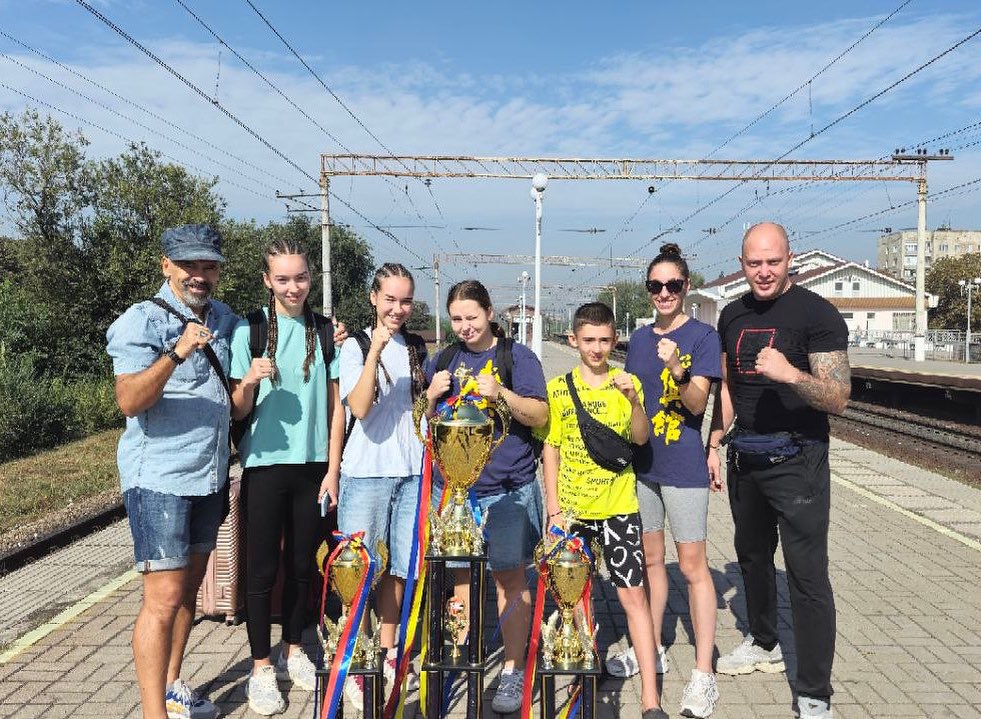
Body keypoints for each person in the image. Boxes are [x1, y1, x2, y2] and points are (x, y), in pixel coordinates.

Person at [707, 222, 850, 719]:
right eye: (754, 263)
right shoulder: (731, 313)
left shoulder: (817, 313)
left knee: (808, 578)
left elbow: (838, 397)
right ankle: (764, 642)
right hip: (745, 458)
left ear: (790, 259)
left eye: (773, 261)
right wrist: (715, 439)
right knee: (751, 558)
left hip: (799, 461)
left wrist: (790, 374)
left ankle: (814, 691)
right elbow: (727, 388)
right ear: (742, 263)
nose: (763, 272)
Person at [107, 224, 238, 719]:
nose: (199, 276)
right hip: (160, 479)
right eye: (190, 266)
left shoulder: (225, 319)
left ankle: (173, 686)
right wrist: (176, 352)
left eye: (209, 266)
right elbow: (129, 399)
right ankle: (152, 713)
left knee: (189, 591)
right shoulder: (140, 322)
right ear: (167, 266)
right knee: (161, 599)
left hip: (209, 474)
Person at [229, 238, 346, 715]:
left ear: (311, 279)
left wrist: (334, 469)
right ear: (267, 281)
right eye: (283, 279)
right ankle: (260, 667)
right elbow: (236, 409)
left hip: (314, 466)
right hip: (264, 466)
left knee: (302, 566)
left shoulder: (326, 332)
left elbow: (337, 407)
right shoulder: (249, 332)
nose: (293, 286)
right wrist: (251, 380)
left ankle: (293, 650)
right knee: (260, 571)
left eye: (300, 277)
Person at [607, 243, 722, 718]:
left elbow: (697, 405)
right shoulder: (636, 339)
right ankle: (650, 649)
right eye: (656, 286)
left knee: (692, 566)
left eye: (673, 285)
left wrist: (677, 367)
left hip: (684, 466)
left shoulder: (702, 338)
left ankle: (703, 675)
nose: (664, 293)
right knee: (651, 561)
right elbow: (634, 399)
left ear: (686, 287)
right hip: (643, 464)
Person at [424, 280, 548, 714]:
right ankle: (459, 663)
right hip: (455, 496)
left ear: (490, 313)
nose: (464, 327)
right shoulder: (441, 360)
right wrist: (430, 397)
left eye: (472, 317)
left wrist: (502, 393)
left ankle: (513, 672)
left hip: (507, 492)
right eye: (456, 319)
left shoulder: (517, 358)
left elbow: (539, 414)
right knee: (459, 584)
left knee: (509, 580)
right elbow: (424, 425)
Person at [542, 302, 667, 719]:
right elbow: (552, 447)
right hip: (574, 513)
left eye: (604, 340)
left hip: (619, 508)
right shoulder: (559, 387)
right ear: (574, 340)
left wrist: (633, 401)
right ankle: (582, 683)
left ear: (614, 341)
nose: (596, 348)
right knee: (574, 600)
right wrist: (554, 508)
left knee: (633, 597)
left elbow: (641, 437)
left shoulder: (627, 382)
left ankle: (651, 698)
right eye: (589, 340)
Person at [334, 262, 428, 694]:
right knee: (360, 569)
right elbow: (359, 407)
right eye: (390, 299)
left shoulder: (415, 348)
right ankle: (356, 655)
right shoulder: (353, 345)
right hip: (366, 474)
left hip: (410, 473)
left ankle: (388, 652)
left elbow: (416, 408)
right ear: (373, 298)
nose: (398, 308)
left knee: (399, 570)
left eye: (405, 300)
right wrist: (374, 350)